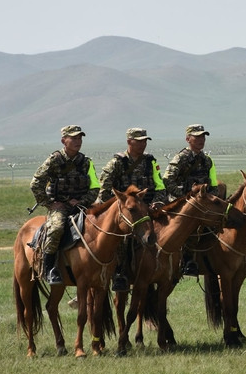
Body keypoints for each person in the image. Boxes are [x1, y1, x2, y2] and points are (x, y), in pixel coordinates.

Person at [99, 127, 168, 291]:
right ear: (129, 141)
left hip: (147, 208)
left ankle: (172, 269)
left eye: (145, 141)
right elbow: (104, 191)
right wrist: (121, 206)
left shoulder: (150, 162)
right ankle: (119, 274)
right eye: (139, 141)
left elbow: (160, 186)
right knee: (122, 238)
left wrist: (158, 202)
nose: (143, 144)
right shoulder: (116, 163)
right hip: (125, 210)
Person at [29, 125, 100, 285]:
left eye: (80, 138)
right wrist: (50, 204)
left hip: (82, 205)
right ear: (63, 140)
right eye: (74, 138)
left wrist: (82, 201)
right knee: (56, 228)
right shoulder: (54, 160)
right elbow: (36, 183)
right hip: (60, 207)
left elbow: (95, 186)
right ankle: (50, 269)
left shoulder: (86, 162)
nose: (78, 141)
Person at [162, 124, 219, 276]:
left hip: (203, 202)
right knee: (191, 225)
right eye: (197, 136)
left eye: (203, 136)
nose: (201, 140)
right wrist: (184, 195)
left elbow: (213, 184)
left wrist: (212, 197)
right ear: (188, 139)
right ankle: (187, 260)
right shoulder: (180, 158)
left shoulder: (207, 160)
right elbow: (167, 180)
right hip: (183, 202)